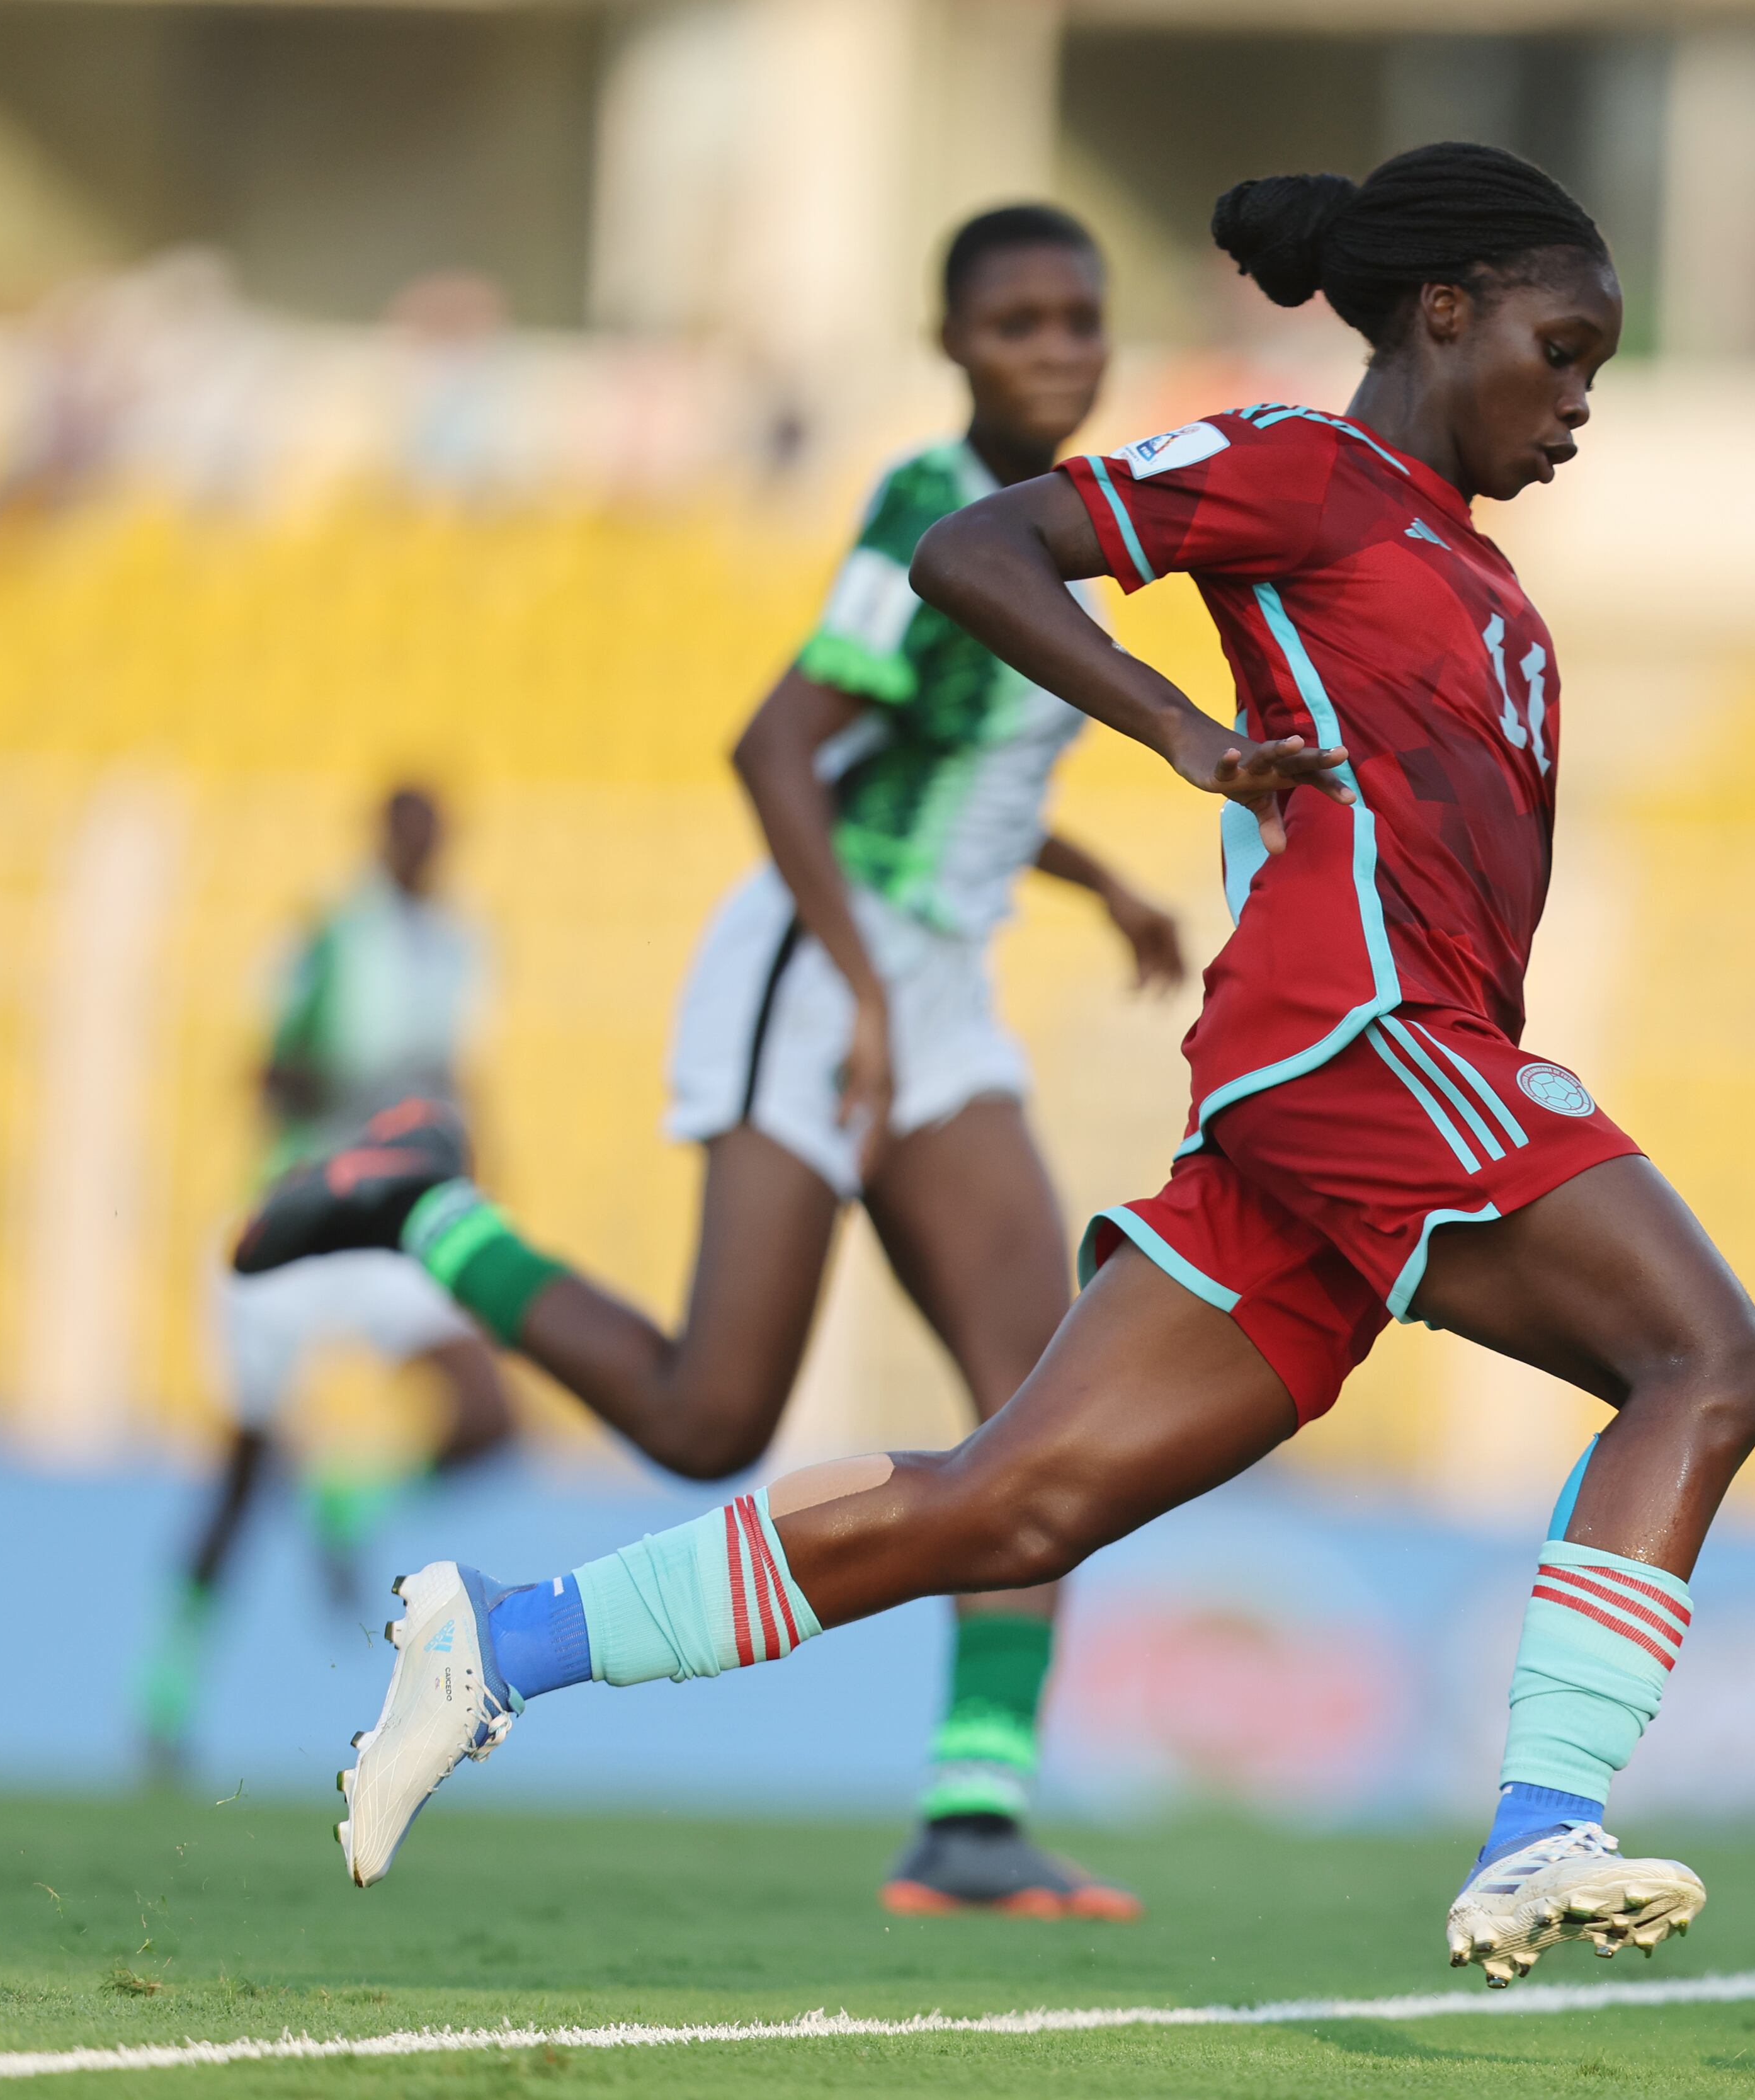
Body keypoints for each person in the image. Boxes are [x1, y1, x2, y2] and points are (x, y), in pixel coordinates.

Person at [312, 144, 1755, 1985]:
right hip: (1364, 1045)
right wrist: (1176, 723)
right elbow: (974, 544)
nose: (1580, 401)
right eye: (1563, 350)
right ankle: (1539, 1820)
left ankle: (496, 1640)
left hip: (1349, 1099)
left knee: (1010, 1502)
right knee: (1706, 1360)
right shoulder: (1306, 471)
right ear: (1445, 311)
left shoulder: (1475, 573)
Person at [234, 204, 1181, 1919]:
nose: (1055, 345)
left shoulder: (1063, 526)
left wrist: (1097, 878)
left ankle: (974, 1814)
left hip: (937, 983)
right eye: (1017, 319)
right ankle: (418, 1204)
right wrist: (861, 989)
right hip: (822, 977)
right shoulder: (926, 508)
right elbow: (779, 745)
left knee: (1047, 1402)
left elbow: (942, 761)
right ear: (951, 343)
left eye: (1079, 316)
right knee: (707, 1414)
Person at [139, 785, 513, 1779]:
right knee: (245, 1468)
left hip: (392, 1222)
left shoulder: (462, 946)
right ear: (382, 836)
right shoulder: (326, 937)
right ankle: (165, 1692)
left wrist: (478, 1178)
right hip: (299, 1215)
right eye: (411, 831)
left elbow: (465, 1084)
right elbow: (265, 1073)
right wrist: (363, 1102)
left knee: (490, 1412)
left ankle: (354, 1493)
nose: (425, 849)